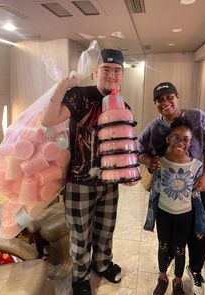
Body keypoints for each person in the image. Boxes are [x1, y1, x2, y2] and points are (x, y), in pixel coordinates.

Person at [41, 49, 125, 295]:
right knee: (80, 234)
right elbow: (48, 120)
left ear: (122, 75)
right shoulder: (79, 96)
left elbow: (122, 148)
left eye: (117, 70)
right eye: (106, 69)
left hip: (110, 182)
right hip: (79, 182)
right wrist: (61, 87)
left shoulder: (122, 104)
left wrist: (128, 174)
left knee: (105, 229)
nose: (111, 74)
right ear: (96, 71)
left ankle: (103, 263)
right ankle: (80, 277)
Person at [138, 81, 205, 295]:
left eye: (169, 97)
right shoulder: (154, 128)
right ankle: (165, 271)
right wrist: (149, 162)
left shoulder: (199, 119)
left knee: (200, 232)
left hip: (196, 187)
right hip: (167, 194)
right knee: (167, 237)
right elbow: (140, 150)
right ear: (156, 104)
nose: (165, 102)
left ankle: (194, 271)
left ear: (178, 97)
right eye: (160, 100)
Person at [143, 117, 205, 295]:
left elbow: (196, 197)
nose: (181, 142)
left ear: (191, 142)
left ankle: (177, 282)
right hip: (163, 214)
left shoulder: (196, 166)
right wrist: (150, 219)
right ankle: (162, 277)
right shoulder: (159, 163)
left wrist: (201, 223)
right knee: (163, 245)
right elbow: (153, 191)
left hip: (184, 216)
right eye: (176, 137)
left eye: (185, 139)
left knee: (180, 249)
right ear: (168, 139)